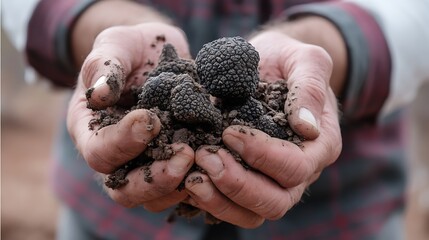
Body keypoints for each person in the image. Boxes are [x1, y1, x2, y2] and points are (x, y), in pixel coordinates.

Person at [24, 0, 429, 239]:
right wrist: (107, 27)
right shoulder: (174, 89)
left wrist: (324, 46)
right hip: (112, 226)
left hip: (341, 217)